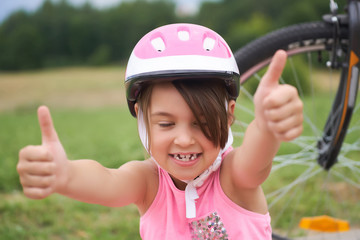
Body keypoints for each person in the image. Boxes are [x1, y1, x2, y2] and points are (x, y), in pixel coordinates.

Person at [17, 23, 303, 239]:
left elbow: (256, 159)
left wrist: (267, 126)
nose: (183, 139)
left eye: (201, 123)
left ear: (229, 116)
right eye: (166, 123)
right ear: (141, 118)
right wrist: (65, 175)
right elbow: (107, 181)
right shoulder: (148, 182)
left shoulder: (234, 177)